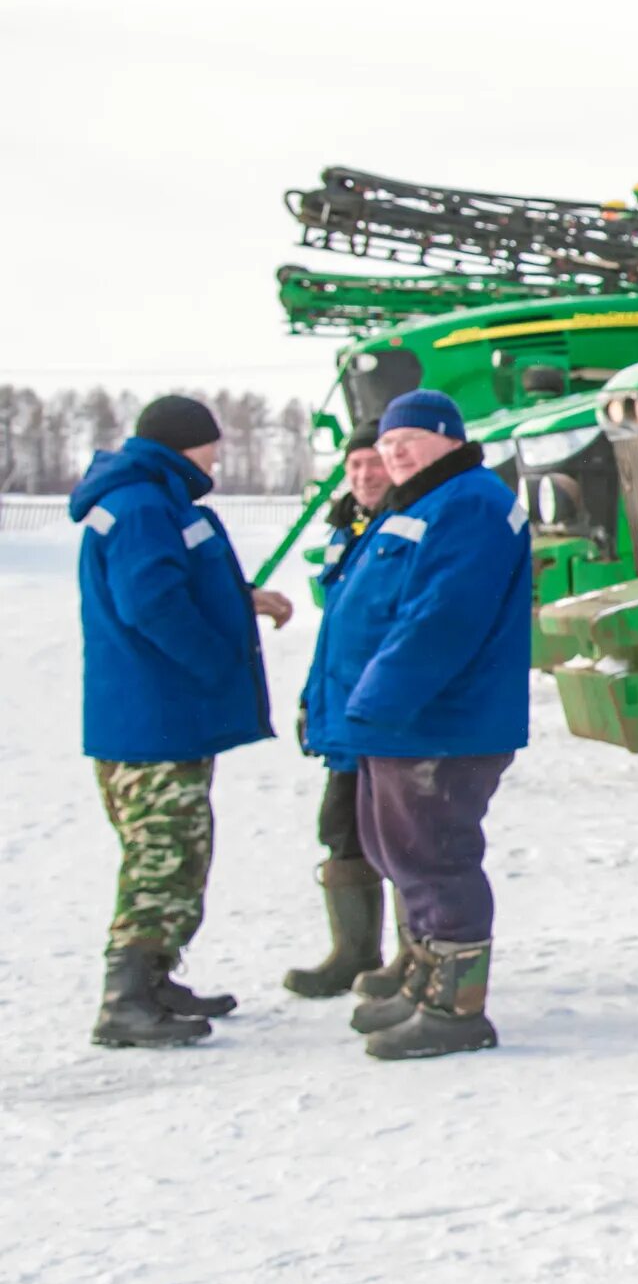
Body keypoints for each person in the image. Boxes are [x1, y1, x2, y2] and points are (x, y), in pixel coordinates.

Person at [306, 389, 530, 1060]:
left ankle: (456, 1009)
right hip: (397, 720)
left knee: (435, 856)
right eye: (388, 441)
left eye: (412, 439)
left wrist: (379, 698)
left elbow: (441, 616)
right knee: (395, 850)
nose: (394, 450)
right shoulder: (424, 502)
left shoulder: (468, 502)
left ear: (449, 438)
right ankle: (424, 982)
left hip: (437, 721)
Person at [71, 393, 292, 1048]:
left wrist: (239, 601)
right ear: (184, 443)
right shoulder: (143, 504)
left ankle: (156, 977)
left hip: (154, 716)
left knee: (179, 848)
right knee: (163, 855)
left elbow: (174, 584)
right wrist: (217, 658)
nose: (218, 454)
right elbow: (153, 602)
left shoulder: (152, 498)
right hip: (154, 718)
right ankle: (126, 999)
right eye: (212, 443)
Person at [284, 422, 392, 998]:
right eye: (354, 467)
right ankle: (354, 953)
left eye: (374, 463)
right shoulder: (347, 530)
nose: (364, 476)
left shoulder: (400, 530)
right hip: (343, 713)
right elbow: (336, 633)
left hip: (385, 716)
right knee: (341, 830)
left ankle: (418, 959)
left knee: (400, 839)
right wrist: (313, 701)